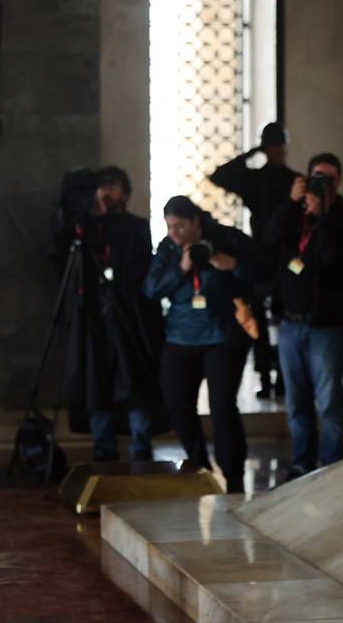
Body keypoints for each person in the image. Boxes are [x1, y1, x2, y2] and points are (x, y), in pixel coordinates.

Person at [143, 196, 258, 493]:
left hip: (220, 336)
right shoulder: (168, 249)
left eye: (180, 226)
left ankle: (233, 474)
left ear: (196, 221)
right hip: (180, 338)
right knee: (178, 405)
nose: (174, 233)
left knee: (222, 408)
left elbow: (261, 271)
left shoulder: (224, 237)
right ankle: (198, 468)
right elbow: (152, 289)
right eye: (169, 226)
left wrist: (232, 264)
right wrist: (181, 267)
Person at [57, 166, 165, 463]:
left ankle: (140, 445)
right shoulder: (85, 227)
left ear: (126, 194)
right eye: (102, 186)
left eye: (114, 187)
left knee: (134, 382)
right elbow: (60, 250)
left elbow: (138, 265)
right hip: (93, 320)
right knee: (97, 382)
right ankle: (103, 447)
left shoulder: (136, 226)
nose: (107, 192)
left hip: (129, 318)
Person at [264, 153, 343, 480]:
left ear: (339, 183)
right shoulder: (294, 212)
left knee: (329, 402)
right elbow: (269, 238)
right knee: (296, 403)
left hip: (326, 326)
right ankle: (301, 464)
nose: (322, 184)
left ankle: (332, 467)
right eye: (317, 177)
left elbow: (332, 257)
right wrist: (293, 204)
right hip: (290, 322)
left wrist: (325, 214)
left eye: (329, 179)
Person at [210, 122, 301, 400]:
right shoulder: (255, 179)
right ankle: (265, 375)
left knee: (285, 314)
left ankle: (284, 376)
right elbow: (219, 176)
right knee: (258, 318)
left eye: (278, 146)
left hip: (287, 254)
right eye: (271, 147)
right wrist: (251, 153)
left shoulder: (294, 180)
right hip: (259, 254)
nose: (276, 152)